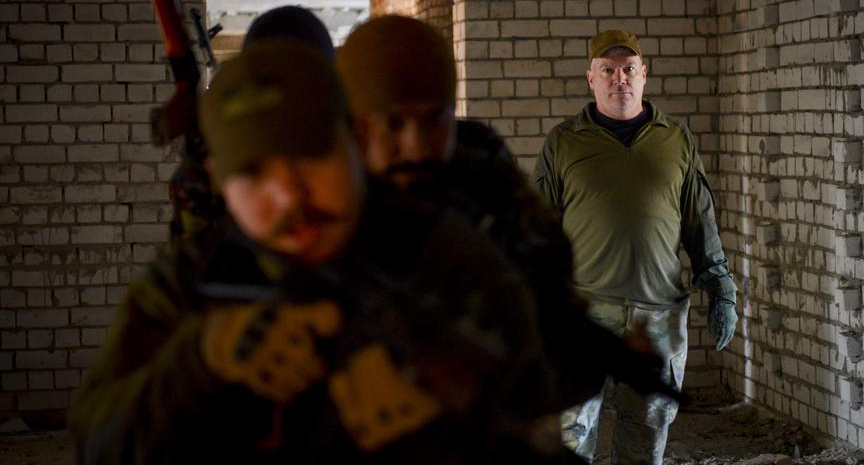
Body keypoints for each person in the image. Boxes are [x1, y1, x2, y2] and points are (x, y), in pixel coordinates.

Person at [68, 40, 563, 464]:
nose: (289, 196)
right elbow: (100, 446)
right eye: (252, 173)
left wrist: (444, 429)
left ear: (356, 140)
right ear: (218, 180)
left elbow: (536, 427)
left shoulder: (449, 259)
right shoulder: (187, 283)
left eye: (311, 155)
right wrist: (198, 363)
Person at [334, 16, 679, 422]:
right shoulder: (320, 211)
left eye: (434, 121)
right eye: (393, 124)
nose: (416, 148)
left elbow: (550, 329)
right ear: (353, 128)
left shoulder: (492, 194)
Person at [532, 29, 738, 464]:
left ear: (644, 75)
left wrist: (720, 286)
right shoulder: (564, 141)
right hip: (583, 316)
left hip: (657, 318)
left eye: (628, 69)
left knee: (643, 443)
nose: (618, 78)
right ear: (591, 78)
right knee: (568, 439)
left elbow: (700, 219)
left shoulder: (676, 139)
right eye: (607, 70)